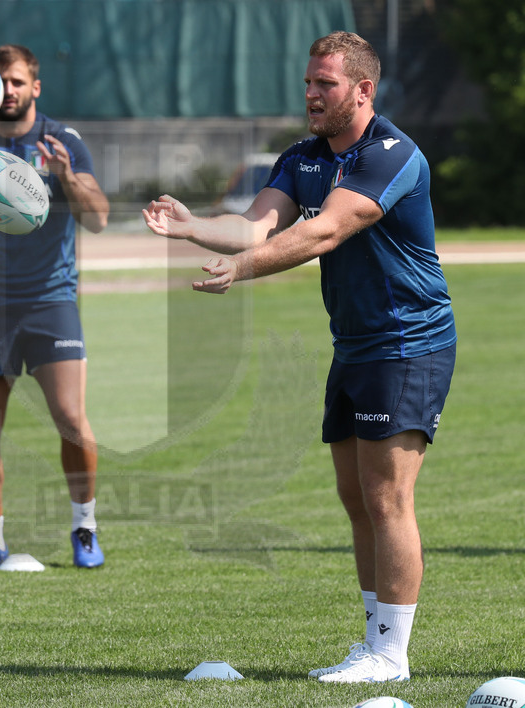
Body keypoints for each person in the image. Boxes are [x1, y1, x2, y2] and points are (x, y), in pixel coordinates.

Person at [143, 31, 456, 683]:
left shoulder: (390, 155)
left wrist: (242, 267)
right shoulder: (304, 158)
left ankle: (389, 655)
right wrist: (194, 226)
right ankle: (373, 641)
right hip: (356, 347)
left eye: (326, 84)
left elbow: (322, 231)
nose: (311, 94)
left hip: (408, 343)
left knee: (386, 497)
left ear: (362, 90)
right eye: (309, 83)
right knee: (355, 496)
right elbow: (256, 225)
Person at [0, 44, 110, 569]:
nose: (8, 90)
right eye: (1, 82)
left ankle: (85, 528)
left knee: (71, 419)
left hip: (51, 299)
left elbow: (99, 217)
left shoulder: (63, 141)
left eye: (17, 82)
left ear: (34, 87)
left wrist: (67, 178)